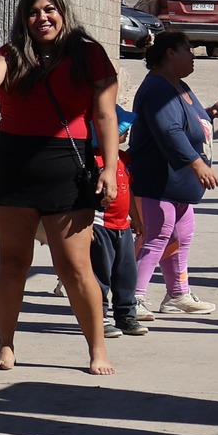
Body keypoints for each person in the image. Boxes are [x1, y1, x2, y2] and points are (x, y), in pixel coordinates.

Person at [0, 0, 121, 374]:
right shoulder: (12, 54)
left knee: (74, 267)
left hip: (67, 169)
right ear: (24, 19)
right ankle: (5, 346)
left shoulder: (88, 54)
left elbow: (105, 114)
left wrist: (109, 168)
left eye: (49, 9)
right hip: (14, 168)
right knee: (11, 263)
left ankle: (97, 350)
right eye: (33, 12)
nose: (42, 17)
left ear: (63, 12)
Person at [131, 31, 218, 316]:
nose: (193, 55)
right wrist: (197, 164)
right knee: (156, 236)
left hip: (178, 183)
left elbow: (185, 121)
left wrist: (210, 113)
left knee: (180, 234)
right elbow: (169, 131)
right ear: (170, 54)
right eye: (187, 49)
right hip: (157, 180)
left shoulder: (178, 85)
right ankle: (131, 298)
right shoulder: (157, 88)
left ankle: (177, 294)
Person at [90, 112, 146, 337]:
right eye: (121, 129)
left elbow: (127, 190)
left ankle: (126, 316)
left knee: (126, 274)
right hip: (99, 225)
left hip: (123, 226)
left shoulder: (122, 159)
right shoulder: (92, 160)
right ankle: (99, 317)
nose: (126, 132)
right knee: (100, 275)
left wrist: (136, 218)